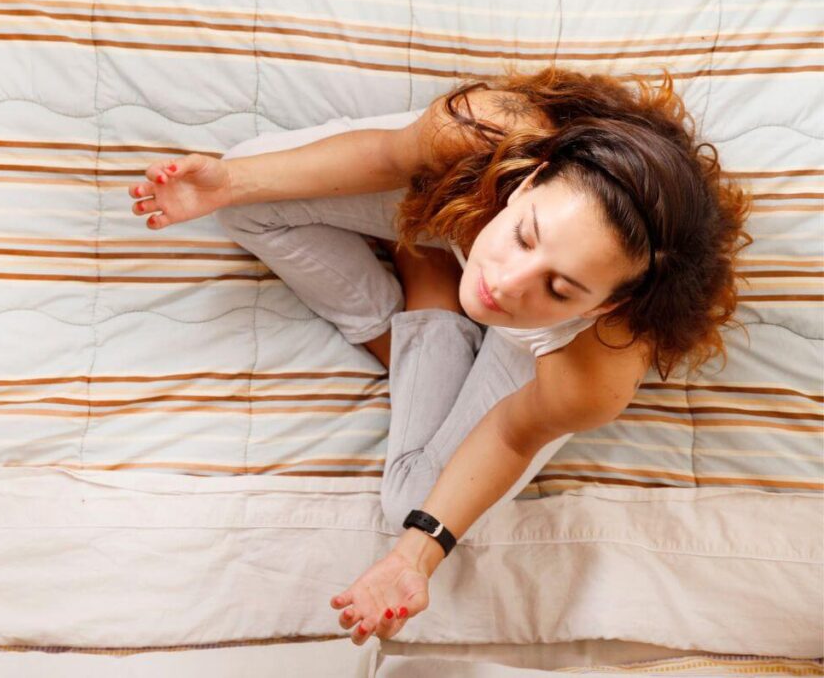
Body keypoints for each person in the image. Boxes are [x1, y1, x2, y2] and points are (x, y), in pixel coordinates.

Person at [125, 66, 751, 645]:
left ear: (604, 309)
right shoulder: (481, 131)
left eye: (560, 286)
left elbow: (510, 433)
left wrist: (414, 555)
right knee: (239, 191)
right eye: (525, 236)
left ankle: (428, 288)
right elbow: (384, 155)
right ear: (530, 180)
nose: (506, 283)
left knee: (410, 504)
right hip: (455, 205)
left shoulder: (595, 374)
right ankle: (429, 270)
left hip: (533, 345)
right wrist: (227, 184)